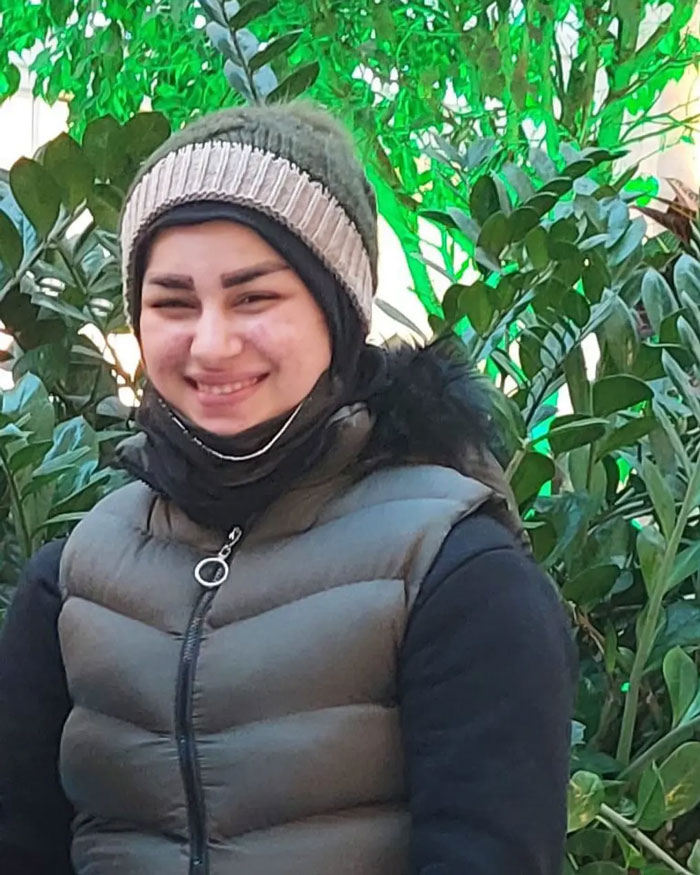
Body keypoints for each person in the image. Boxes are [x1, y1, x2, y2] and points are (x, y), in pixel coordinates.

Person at [0, 102, 575, 875]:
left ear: (338, 311)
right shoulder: (72, 586)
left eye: (255, 297)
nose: (211, 342)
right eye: (173, 301)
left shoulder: (455, 573)